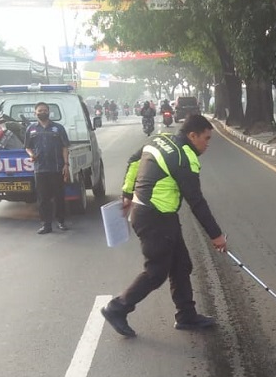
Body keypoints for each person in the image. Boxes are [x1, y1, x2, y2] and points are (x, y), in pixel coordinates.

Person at [100, 115, 228, 337]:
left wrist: (127, 193)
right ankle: (117, 308)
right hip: (155, 218)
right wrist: (216, 235)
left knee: (181, 265)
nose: (207, 144)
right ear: (192, 135)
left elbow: (133, 160)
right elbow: (196, 201)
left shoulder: (160, 139)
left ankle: (186, 315)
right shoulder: (184, 158)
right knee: (156, 271)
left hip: (155, 214)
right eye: (206, 139)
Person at [24, 102, 70, 234]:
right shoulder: (31, 129)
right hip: (40, 169)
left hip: (56, 168)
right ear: (35, 113)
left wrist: (66, 165)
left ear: (48, 112)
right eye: (39, 110)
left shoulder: (58, 128)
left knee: (59, 197)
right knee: (43, 199)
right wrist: (31, 155)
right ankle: (46, 225)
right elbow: (27, 147)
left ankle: (61, 221)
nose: (42, 112)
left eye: (44, 110)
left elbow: (65, 147)